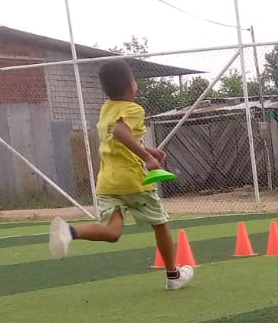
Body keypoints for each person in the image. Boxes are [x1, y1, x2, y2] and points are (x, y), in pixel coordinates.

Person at [48, 58, 193, 290]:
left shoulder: (106, 108)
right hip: (134, 181)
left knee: (112, 232)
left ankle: (70, 232)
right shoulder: (134, 109)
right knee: (160, 223)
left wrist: (148, 150)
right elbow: (120, 132)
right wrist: (147, 158)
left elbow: (118, 140)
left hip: (108, 183)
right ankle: (173, 275)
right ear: (131, 86)